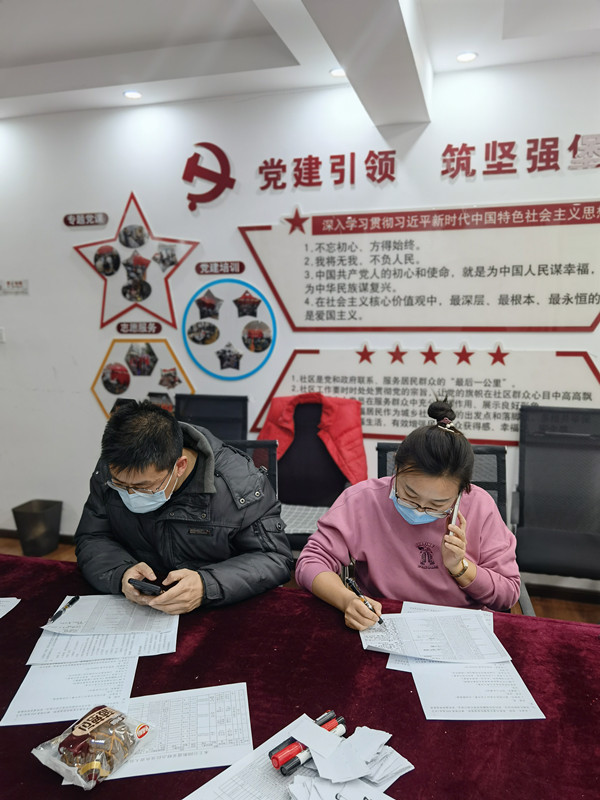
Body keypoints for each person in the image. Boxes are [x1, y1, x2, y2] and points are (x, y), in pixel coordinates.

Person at [295, 400, 520, 630]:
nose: (419, 509)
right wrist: (347, 600)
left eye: (437, 505)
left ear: (462, 491)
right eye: (409, 495)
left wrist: (460, 567)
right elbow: (311, 562)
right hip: (383, 622)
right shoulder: (364, 500)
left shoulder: (480, 506)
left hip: (459, 626)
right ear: (397, 469)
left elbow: (508, 594)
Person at [75, 401, 293, 615]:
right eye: (121, 485)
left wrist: (207, 585)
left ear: (180, 466)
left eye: (143, 487)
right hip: (142, 608)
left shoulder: (241, 485)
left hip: (218, 610)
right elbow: (93, 536)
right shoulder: (111, 471)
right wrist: (121, 573)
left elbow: (274, 558)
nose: (131, 494)